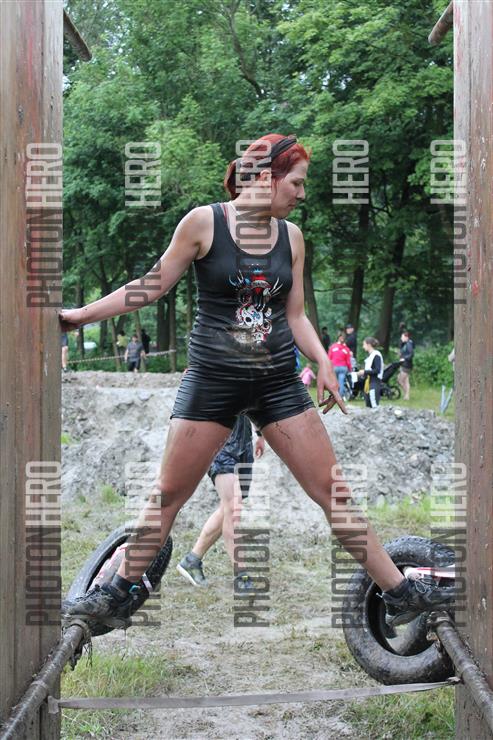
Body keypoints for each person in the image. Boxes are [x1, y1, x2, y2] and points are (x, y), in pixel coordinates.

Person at [60, 133, 453, 632]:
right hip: (213, 381)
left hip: (276, 384)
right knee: (168, 494)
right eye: (297, 183)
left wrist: (322, 361)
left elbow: (295, 315)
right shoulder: (204, 223)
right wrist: (80, 316)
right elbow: (150, 287)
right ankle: (116, 594)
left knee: (333, 492)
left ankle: (399, 592)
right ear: (266, 178)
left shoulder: (292, 238)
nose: (302, 194)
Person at [177, 415, 265, 591]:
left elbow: (253, 402)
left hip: (244, 443)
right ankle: (241, 575)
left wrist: (260, 433)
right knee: (233, 508)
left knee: (228, 508)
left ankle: (192, 560)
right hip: (218, 444)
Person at [359, 337, 384, 408]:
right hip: (368, 382)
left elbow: (377, 370)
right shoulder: (370, 355)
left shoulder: (376, 355)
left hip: (374, 382)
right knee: (368, 405)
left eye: (364, 344)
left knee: (374, 405)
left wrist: (365, 372)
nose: (363, 347)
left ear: (369, 345)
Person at [398, 330, 414, 401]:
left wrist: (404, 358)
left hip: (406, 365)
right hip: (404, 364)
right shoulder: (405, 343)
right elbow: (404, 351)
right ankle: (406, 395)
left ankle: (406, 394)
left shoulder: (409, 344)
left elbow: (411, 354)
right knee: (405, 380)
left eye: (402, 337)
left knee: (400, 380)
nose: (401, 338)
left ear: (406, 337)